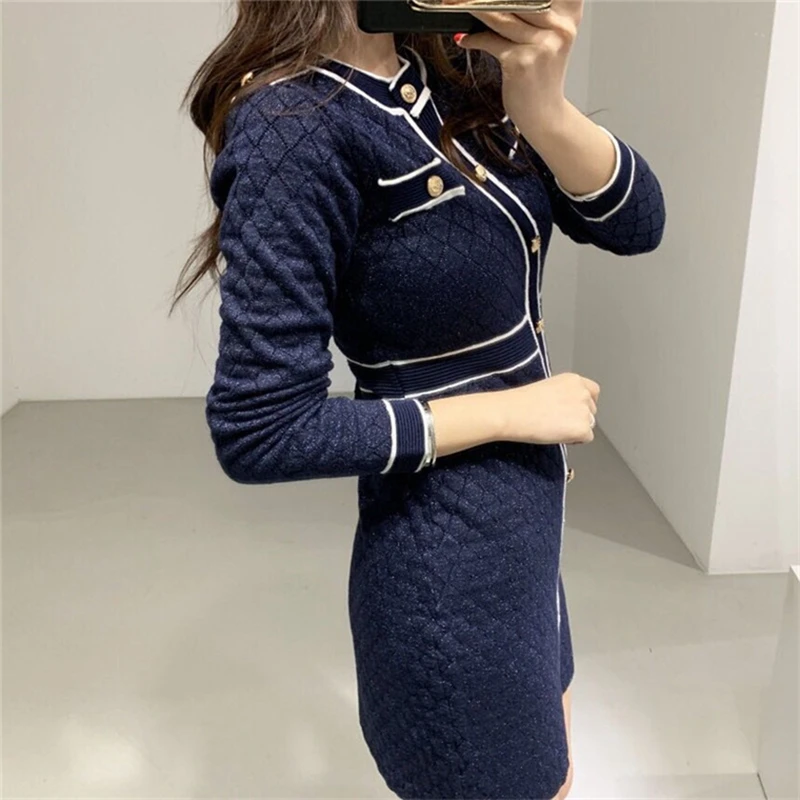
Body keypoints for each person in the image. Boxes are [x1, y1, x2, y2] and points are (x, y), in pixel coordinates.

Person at [171, 0, 666, 797]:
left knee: (558, 770)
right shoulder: (292, 127)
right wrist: (511, 411)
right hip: (448, 578)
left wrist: (544, 109)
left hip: (529, 545)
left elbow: (638, 225)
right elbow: (260, 428)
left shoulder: (457, 65)